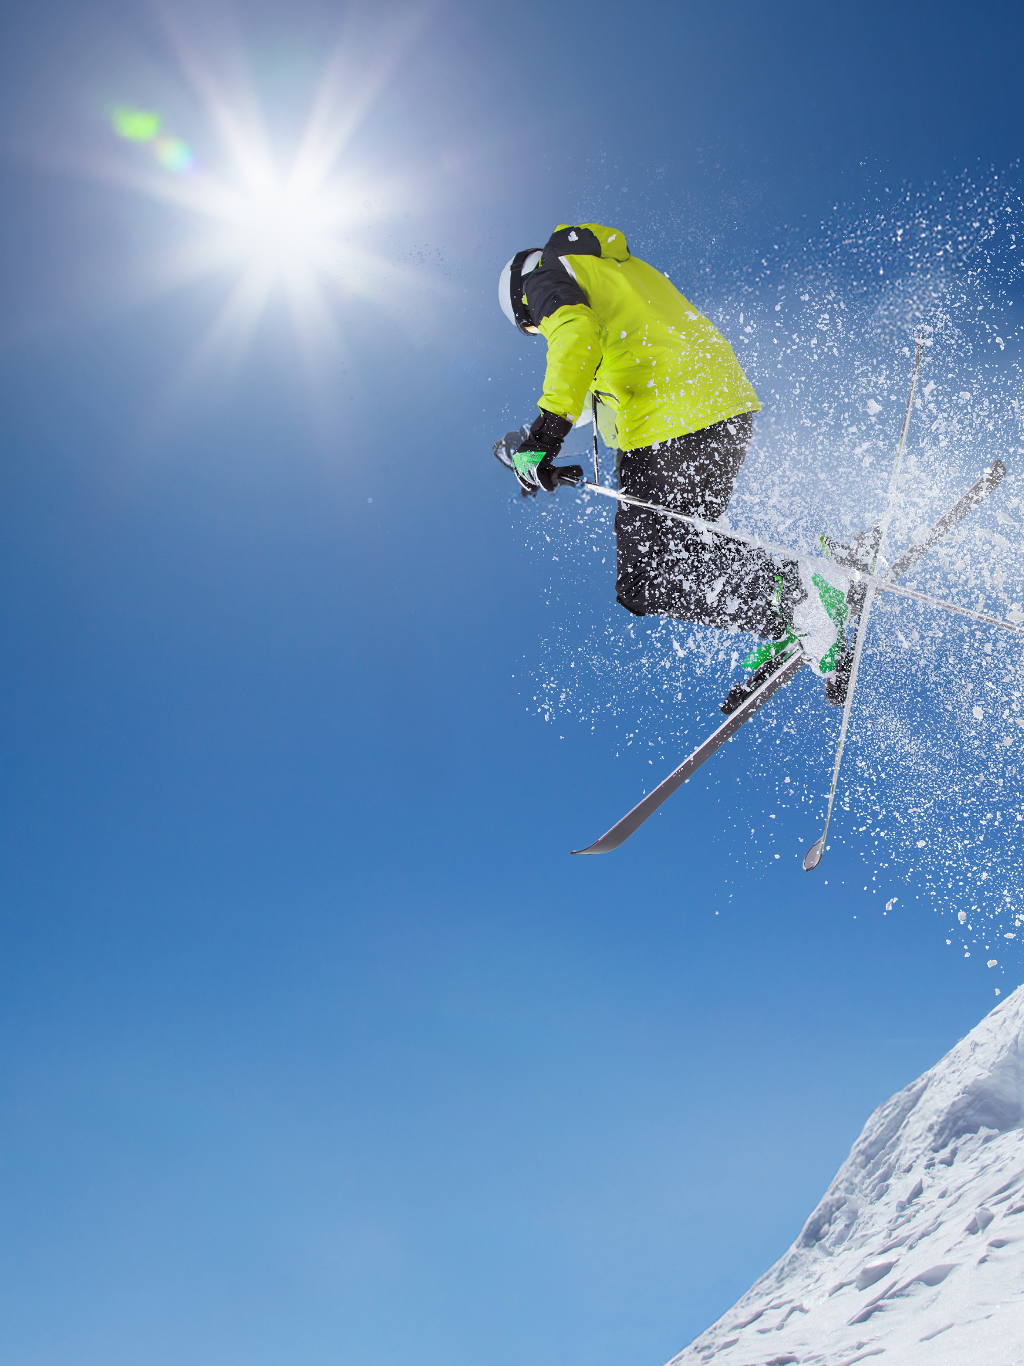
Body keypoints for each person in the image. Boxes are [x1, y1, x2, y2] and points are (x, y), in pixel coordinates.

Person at [494, 222, 851, 690]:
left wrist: (545, 435)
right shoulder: (614, 271)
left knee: (646, 577)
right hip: (721, 408)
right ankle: (795, 603)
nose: (540, 328)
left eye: (533, 326)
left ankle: (800, 599)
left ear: (523, 301)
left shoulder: (545, 276)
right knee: (689, 549)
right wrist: (530, 441)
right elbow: (592, 382)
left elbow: (575, 337)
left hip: (669, 422)